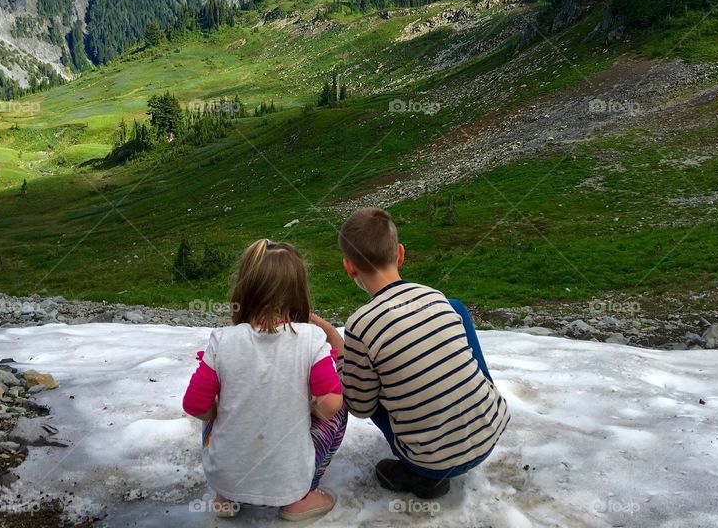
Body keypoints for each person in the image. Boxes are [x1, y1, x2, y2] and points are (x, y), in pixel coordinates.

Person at [338, 207, 509, 499]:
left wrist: (343, 359)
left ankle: (419, 474)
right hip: (491, 433)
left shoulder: (360, 324)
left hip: (431, 464)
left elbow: (360, 407)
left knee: (368, 376)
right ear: (401, 254)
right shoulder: (435, 296)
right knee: (455, 311)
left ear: (349, 267)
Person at [182, 239, 347, 520]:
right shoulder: (310, 339)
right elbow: (330, 405)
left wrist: (221, 411)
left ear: (243, 289)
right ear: (298, 292)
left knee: (213, 406)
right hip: (289, 481)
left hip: (225, 477)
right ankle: (299, 499)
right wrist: (308, 407)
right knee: (340, 409)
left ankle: (226, 497)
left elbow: (195, 405)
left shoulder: (222, 341)